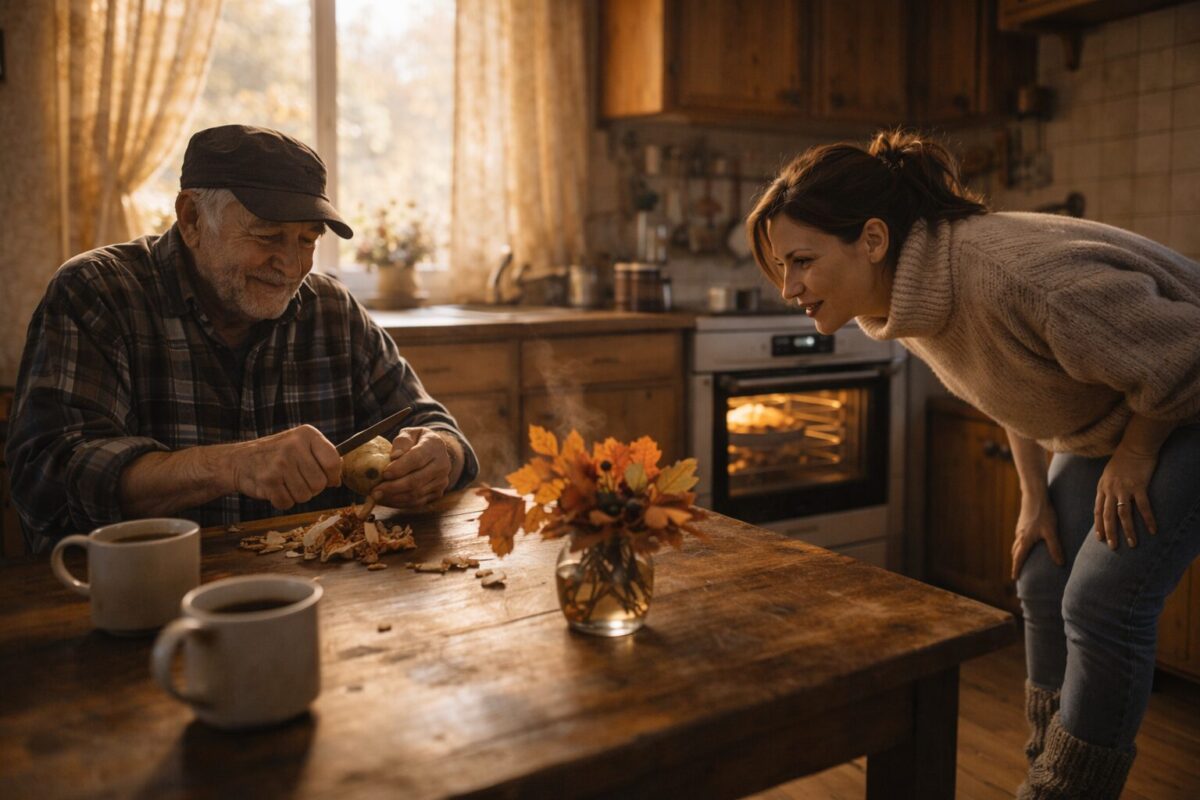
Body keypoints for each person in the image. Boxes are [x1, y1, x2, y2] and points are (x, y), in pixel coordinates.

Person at [746, 129, 1200, 799]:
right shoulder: (910, 292)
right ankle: (1047, 759)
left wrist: (1137, 454)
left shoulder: (1011, 275)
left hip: (1182, 399)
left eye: (802, 261)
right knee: (1042, 572)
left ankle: (1063, 790)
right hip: (1125, 409)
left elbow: (1184, 355)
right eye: (783, 267)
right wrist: (1032, 498)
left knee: (1101, 601)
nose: (790, 287)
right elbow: (1009, 382)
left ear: (872, 239)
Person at [7, 124, 478, 554]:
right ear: (191, 218)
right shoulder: (98, 292)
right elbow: (45, 482)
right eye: (268, 235)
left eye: (306, 241)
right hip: (144, 596)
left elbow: (435, 425)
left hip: (321, 599)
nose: (291, 266)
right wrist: (233, 465)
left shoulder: (332, 310)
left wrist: (440, 454)